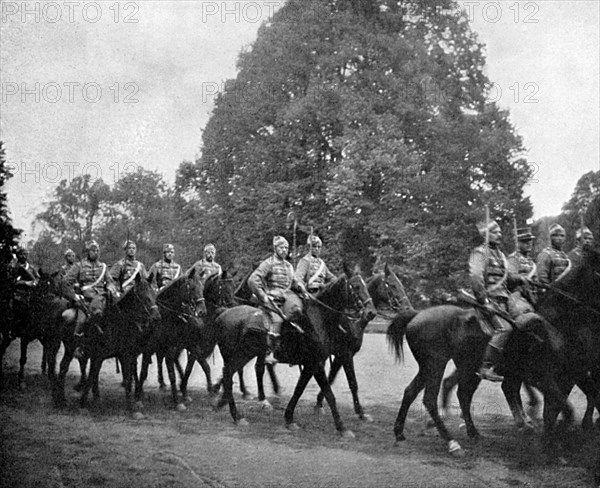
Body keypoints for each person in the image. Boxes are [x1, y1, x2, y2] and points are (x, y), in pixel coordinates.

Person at [470, 219, 527, 382]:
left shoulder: (501, 255)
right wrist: (483, 300)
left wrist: (521, 278)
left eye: (500, 232)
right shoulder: (479, 253)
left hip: (504, 300)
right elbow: (475, 277)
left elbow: (508, 278)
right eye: (496, 232)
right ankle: (486, 367)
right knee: (505, 329)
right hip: (488, 300)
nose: (500, 235)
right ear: (486, 234)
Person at [248, 236, 308, 360]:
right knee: (277, 320)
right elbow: (253, 280)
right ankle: (270, 351)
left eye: (286, 248)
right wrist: (262, 295)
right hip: (272, 298)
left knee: (300, 314)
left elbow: (295, 282)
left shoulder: (289, 266)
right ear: (275, 249)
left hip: (287, 297)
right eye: (282, 248)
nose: (285, 250)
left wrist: (302, 288)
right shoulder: (268, 263)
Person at [63, 240, 118, 337]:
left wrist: (110, 288)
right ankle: (78, 345)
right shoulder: (79, 266)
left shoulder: (103, 267)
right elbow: (66, 282)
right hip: (85, 301)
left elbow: (110, 282)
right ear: (87, 252)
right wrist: (74, 295)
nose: (95, 253)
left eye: (97, 250)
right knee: (81, 322)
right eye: (92, 250)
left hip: (102, 300)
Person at [9, 246, 40, 338]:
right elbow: (11, 281)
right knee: (17, 311)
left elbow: (37, 277)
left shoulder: (31, 267)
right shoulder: (14, 267)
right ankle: (14, 330)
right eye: (21, 254)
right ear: (18, 256)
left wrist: (35, 282)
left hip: (30, 294)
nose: (23, 256)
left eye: (25, 254)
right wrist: (25, 283)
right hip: (18, 294)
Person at [507, 226, 537, 312]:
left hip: (534, 296)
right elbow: (510, 277)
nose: (528, 243)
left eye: (530, 240)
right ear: (517, 243)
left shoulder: (531, 261)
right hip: (520, 298)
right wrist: (522, 278)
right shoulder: (513, 258)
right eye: (524, 241)